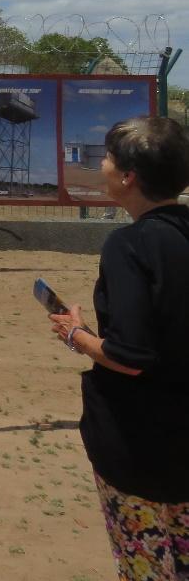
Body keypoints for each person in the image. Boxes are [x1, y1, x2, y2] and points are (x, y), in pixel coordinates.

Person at [47, 116, 189, 580]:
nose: (102, 165)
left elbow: (130, 358)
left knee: (146, 566)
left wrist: (77, 335)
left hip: (143, 450)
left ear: (128, 176)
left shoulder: (130, 246)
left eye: (108, 158)